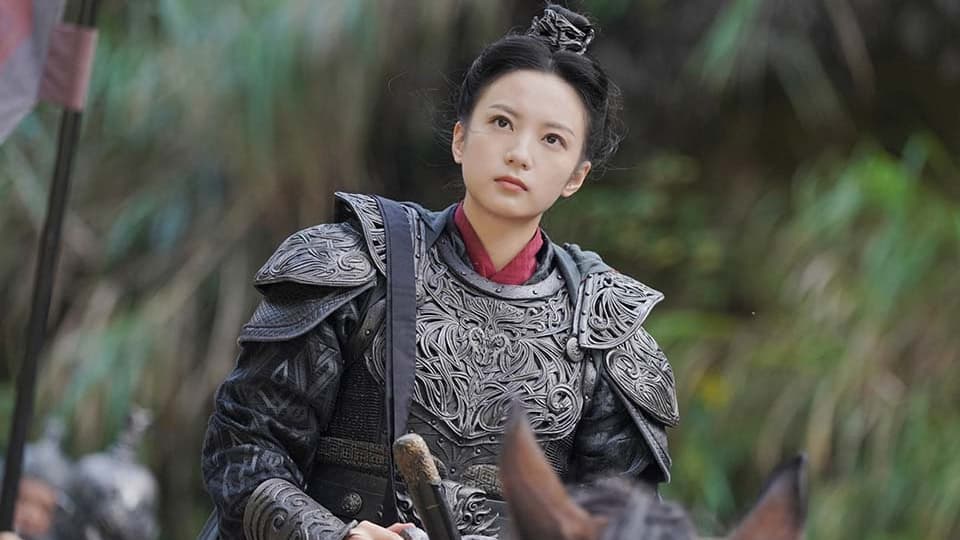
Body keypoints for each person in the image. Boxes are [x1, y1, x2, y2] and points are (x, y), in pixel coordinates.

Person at [200, 5, 680, 540]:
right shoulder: (353, 266)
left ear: (576, 177)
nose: (520, 154)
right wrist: (338, 536)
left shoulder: (605, 333)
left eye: (553, 140)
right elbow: (245, 453)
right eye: (502, 122)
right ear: (460, 139)